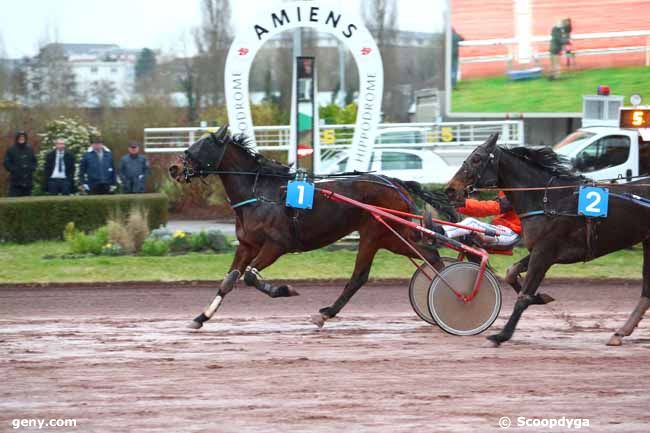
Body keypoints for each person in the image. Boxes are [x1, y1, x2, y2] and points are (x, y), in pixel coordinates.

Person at [430, 192, 521, 248]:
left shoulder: (516, 189)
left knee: (471, 223)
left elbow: (495, 207)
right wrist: (461, 205)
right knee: (467, 232)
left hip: (510, 234)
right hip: (502, 230)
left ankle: (438, 232)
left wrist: (463, 204)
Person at [3, 131, 37, 197]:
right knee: (14, 201)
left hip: (28, 181)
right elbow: (6, 162)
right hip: (15, 181)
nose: (22, 139)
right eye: (20, 137)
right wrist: (13, 170)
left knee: (26, 201)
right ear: (17, 138)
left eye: (23, 137)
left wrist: (32, 168)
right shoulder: (11, 149)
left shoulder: (30, 149)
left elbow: (34, 161)